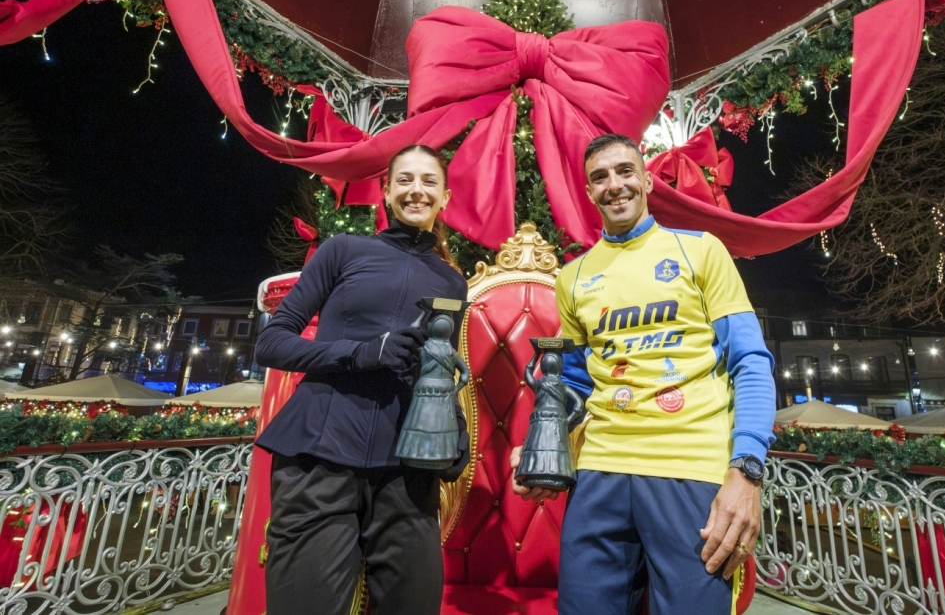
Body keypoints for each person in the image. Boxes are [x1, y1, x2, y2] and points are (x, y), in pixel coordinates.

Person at [511, 134, 777, 615]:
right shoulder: (573, 277)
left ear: (647, 181)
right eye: (600, 177)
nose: (614, 185)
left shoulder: (701, 251)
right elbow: (574, 384)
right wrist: (542, 446)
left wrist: (747, 472)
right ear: (589, 192)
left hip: (689, 470)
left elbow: (751, 363)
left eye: (625, 171)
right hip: (599, 473)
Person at [255, 145, 469, 615]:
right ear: (386, 192)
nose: (416, 190)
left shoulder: (453, 282)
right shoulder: (344, 250)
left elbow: (439, 364)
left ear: (445, 196)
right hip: (319, 456)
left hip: (407, 467)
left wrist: (454, 425)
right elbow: (271, 343)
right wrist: (361, 352)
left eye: (429, 181)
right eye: (405, 180)